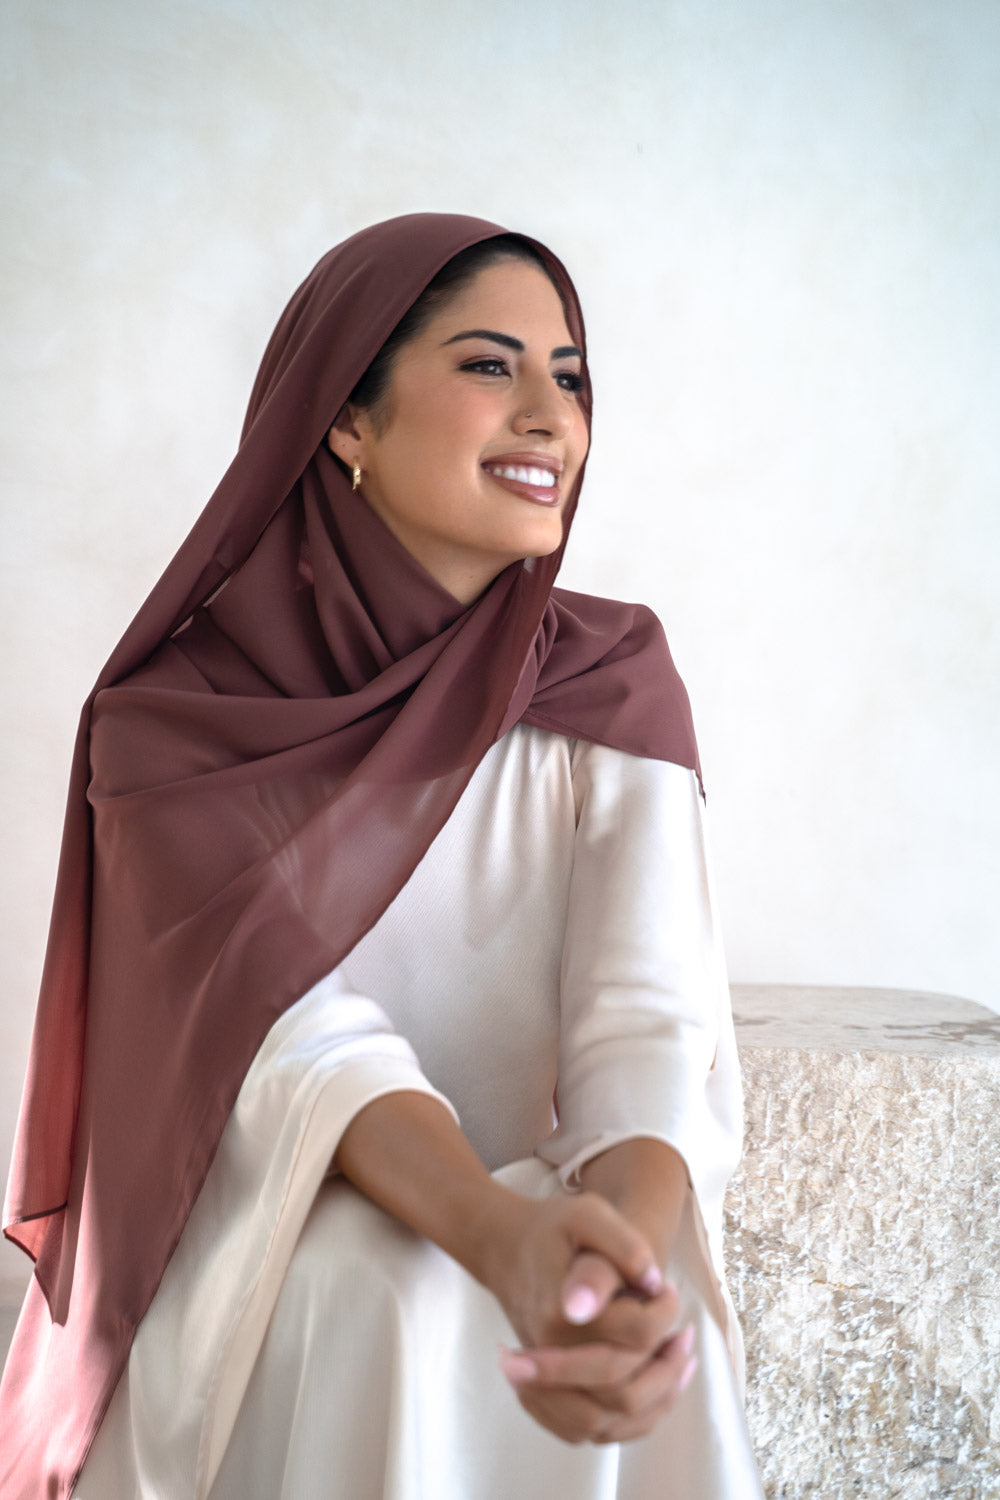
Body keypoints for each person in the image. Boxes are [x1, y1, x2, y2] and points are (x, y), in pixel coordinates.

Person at [0, 213, 763, 1498]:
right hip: (270, 1226)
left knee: (662, 1279)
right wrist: (495, 1238)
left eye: (570, 377)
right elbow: (299, 1035)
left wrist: (609, 1273)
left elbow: (648, 1025)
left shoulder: (610, 679)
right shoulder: (179, 722)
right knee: (383, 1278)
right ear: (347, 418)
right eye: (489, 366)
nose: (550, 418)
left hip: (545, 1206)